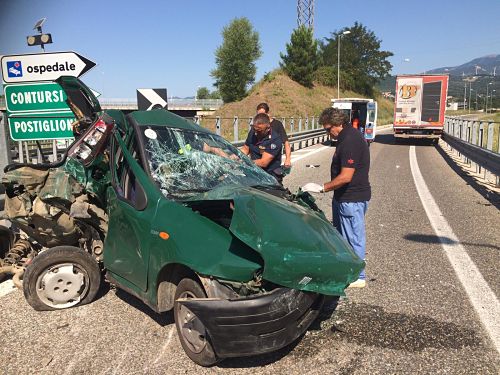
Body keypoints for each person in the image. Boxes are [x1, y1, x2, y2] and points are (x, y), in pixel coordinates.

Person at [302, 107, 371, 288]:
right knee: (342, 237)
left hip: (352, 198)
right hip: (344, 197)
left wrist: (322, 188)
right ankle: (347, 270)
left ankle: (358, 276)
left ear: (338, 124)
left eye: (328, 128)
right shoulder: (344, 137)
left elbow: (346, 176)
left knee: (353, 237)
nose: (327, 133)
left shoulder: (349, 140)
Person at [240, 113, 283, 183]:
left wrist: (244, 162)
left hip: (270, 176)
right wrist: (234, 156)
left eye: (259, 131)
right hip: (255, 172)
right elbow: (245, 149)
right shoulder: (253, 132)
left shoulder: (275, 140)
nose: (256, 133)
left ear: (268, 128)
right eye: (255, 129)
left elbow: (263, 162)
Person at [256, 103, 292, 169]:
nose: (260, 117)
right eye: (258, 115)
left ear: (268, 113)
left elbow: (286, 142)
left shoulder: (277, 125)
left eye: (262, 114)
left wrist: (288, 159)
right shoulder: (257, 126)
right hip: (259, 163)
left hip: (274, 165)